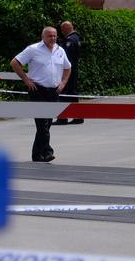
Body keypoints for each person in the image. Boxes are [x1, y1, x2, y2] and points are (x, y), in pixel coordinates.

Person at [11, 25, 72, 162]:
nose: (53, 38)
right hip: (38, 90)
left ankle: (37, 154)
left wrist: (63, 83)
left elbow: (68, 68)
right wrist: (26, 79)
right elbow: (15, 63)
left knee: (47, 123)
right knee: (41, 123)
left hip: (53, 91)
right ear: (43, 37)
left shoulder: (60, 50)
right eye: (50, 36)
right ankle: (47, 151)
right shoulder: (33, 49)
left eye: (55, 35)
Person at [53, 20, 85, 125]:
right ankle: (78, 116)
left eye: (62, 29)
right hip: (73, 69)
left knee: (64, 92)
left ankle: (62, 118)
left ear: (66, 28)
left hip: (67, 70)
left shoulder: (70, 40)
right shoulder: (77, 38)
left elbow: (65, 56)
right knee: (72, 93)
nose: (61, 31)